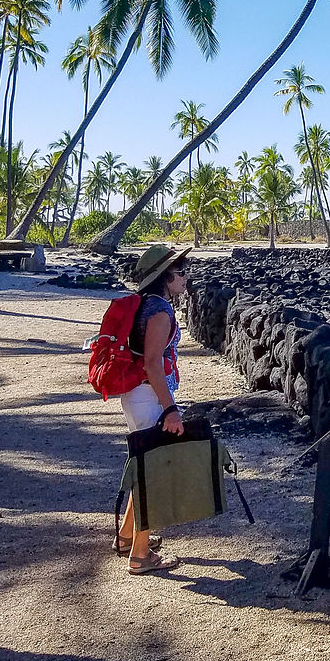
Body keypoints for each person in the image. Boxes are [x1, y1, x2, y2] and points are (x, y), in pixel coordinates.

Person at [116, 243, 192, 575]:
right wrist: (170, 409)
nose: (186, 277)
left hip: (138, 393)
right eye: (181, 272)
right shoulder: (161, 311)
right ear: (166, 277)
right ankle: (140, 556)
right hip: (149, 396)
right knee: (154, 475)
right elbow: (152, 363)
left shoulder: (145, 304)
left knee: (145, 468)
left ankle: (126, 536)